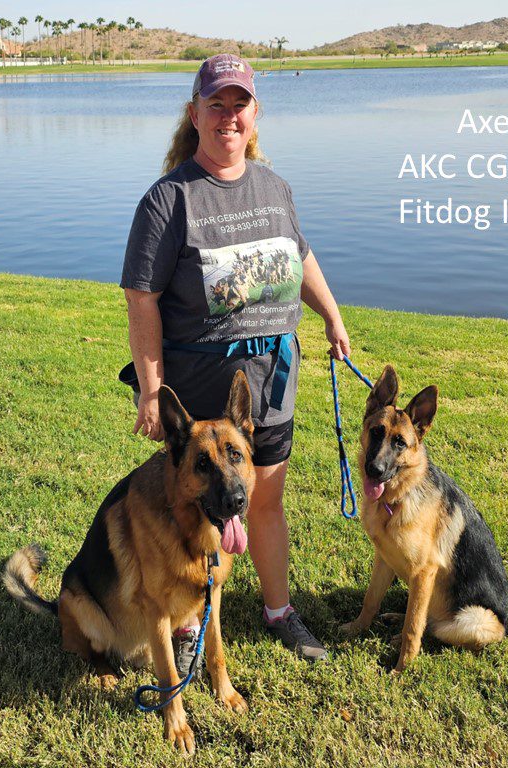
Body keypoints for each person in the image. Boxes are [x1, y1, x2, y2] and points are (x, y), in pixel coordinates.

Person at [120, 53, 351, 664]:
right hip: (200, 387)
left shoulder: (273, 187)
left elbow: (298, 256)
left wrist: (330, 313)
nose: (228, 116)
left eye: (239, 105)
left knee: (262, 501)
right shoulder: (169, 199)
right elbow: (141, 298)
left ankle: (279, 611)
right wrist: (151, 388)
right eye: (215, 105)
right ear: (194, 114)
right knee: (195, 505)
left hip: (271, 381)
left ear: (254, 115)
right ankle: (187, 616)